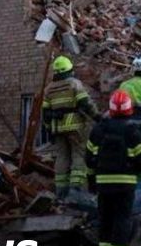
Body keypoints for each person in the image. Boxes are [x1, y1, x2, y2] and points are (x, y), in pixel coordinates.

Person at [86, 90, 141, 246]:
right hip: (125, 184)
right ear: (129, 109)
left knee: (105, 218)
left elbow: (89, 156)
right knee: (122, 219)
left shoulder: (99, 129)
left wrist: (91, 179)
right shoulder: (132, 130)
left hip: (103, 183)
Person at [42, 55, 99, 200]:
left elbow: (45, 113)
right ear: (69, 70)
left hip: (57, 128)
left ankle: (61, 191)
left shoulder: (49, 89)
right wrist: (98, 117)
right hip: (75, 126)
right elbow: (85, 103)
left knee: (62, 157)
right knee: (79, 155)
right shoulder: (74, 83)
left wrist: (49, 128)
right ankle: (77, 190)